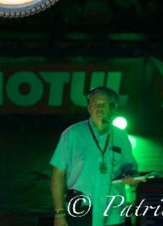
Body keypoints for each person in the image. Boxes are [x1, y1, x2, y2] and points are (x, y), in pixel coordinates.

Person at [50, 87, 145, 226]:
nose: (99, 107)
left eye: (104, 104)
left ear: (113, 107)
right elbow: (57, 176)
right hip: (81, 211)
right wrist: (59, 213)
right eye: (95, 103)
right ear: (89, 107)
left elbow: (131, 167)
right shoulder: (72, 134)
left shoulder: (121, 136)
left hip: (113, 212)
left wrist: (132, 176)